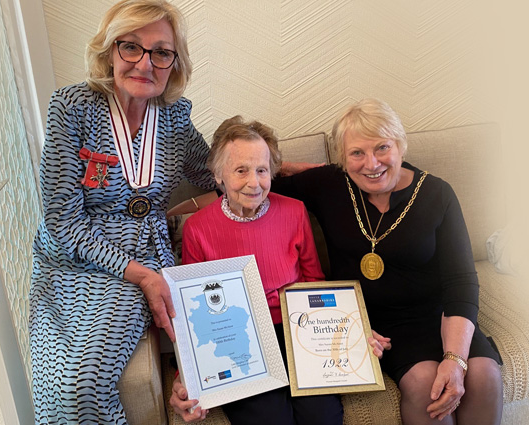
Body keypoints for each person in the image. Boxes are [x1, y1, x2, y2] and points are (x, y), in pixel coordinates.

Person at [28, 1, 216, 423]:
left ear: (174, 63)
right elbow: (61, 222)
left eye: (161, 52)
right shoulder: (72, 108)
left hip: (143, 252)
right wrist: (144, 276)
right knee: (63, 382)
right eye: (131, 47)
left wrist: (277, 167)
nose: (145, 63)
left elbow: (213, 174)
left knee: (88, 377)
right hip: (74, 258)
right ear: (110, 51)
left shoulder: (175, 116)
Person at [272, 98, 504, 424]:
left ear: (401, 146)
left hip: (439, 314)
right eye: (356, 154)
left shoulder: (438, 194)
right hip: (379, 324)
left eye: (382, 148)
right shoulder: (329, 185)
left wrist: (455, 358)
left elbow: (461, 281)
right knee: (426, 385)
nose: (371, 163)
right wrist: (302, 168)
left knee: (483, 375)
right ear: (341, 158)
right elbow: (252, 181)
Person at [168, 117, 348, 425]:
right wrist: (187, 374)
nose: (254, 182)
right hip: (238, 342)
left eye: (262, 170)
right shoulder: (198, 229)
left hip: (296, 331)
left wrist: (344, 333)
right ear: (218, 175)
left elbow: (314, 284)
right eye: (241, 170)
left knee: (325, 417)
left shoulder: (294, 211)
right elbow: (194, 311)